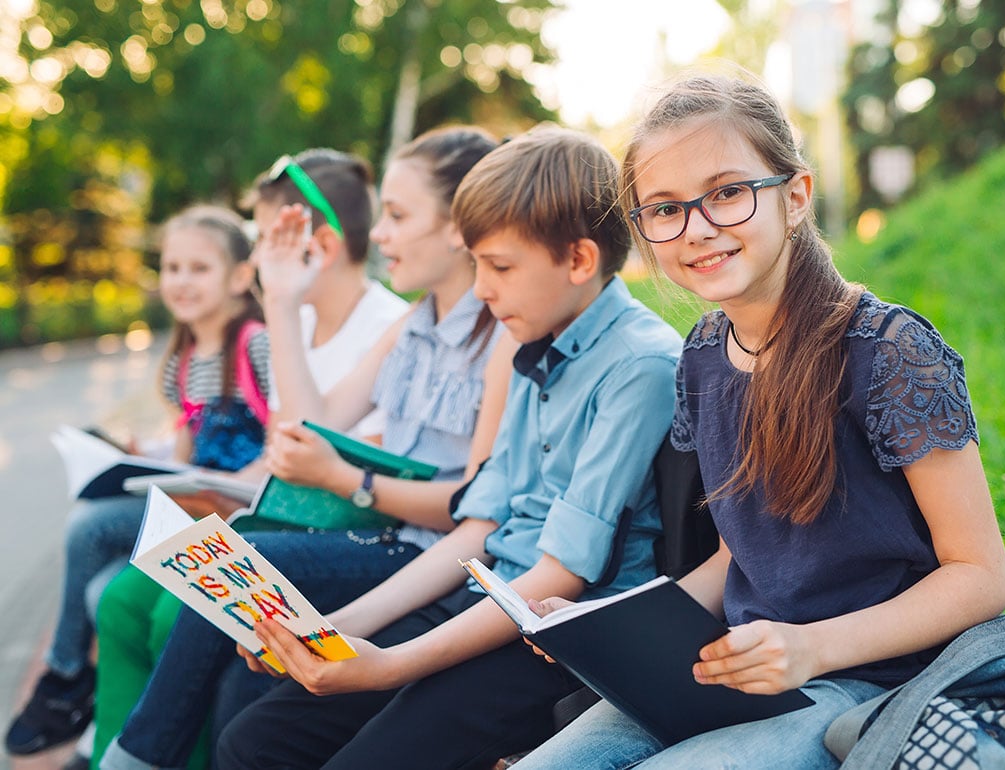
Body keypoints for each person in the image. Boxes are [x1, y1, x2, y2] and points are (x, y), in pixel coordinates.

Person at [510, 73, 1005, 770]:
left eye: (726, 193)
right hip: (735, 671)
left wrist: (811, 648)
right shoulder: (704, 358)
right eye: (664, 209)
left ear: (795, 195)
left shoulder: (888, 351)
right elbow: (738, 558)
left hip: (870, 681)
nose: (697, 228)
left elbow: (982, 576)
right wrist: (607, 632)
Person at [213, 125, 682, 770]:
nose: (483, 290)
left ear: (578, 261)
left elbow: (559, 575)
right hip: (484, 596)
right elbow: (481, 526)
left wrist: (386, 667)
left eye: (499, 267)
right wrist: (338, 629)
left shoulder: (638, 367)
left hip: (554, 640)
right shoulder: (533, 343)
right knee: (254, 741)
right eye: (477, 264)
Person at [97, 126, 517, 770]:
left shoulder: (500, 337)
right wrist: (285, 303)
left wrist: (348, 480)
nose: (377, 236)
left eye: (398, 217)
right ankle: (144, 753)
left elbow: (472, 511)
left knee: (249, 556)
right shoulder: (413, 324)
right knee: (246, 660)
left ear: (459, 225)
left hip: (425, 554)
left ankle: (139, 756)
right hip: (381, 539)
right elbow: (308, 427)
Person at [3, 204, 271, 760]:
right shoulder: (184, 355)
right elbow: (186, 443)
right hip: (195, 499)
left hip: (239, 508)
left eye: (199, 268)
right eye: (172, 267)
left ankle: (65, 674)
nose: (181, 281)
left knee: (89, 527)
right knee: (104, 588)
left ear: (241, 276)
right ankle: (105, 728)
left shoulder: (256, 344)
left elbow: (283, 433)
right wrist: (139, 463)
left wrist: (229, 483)